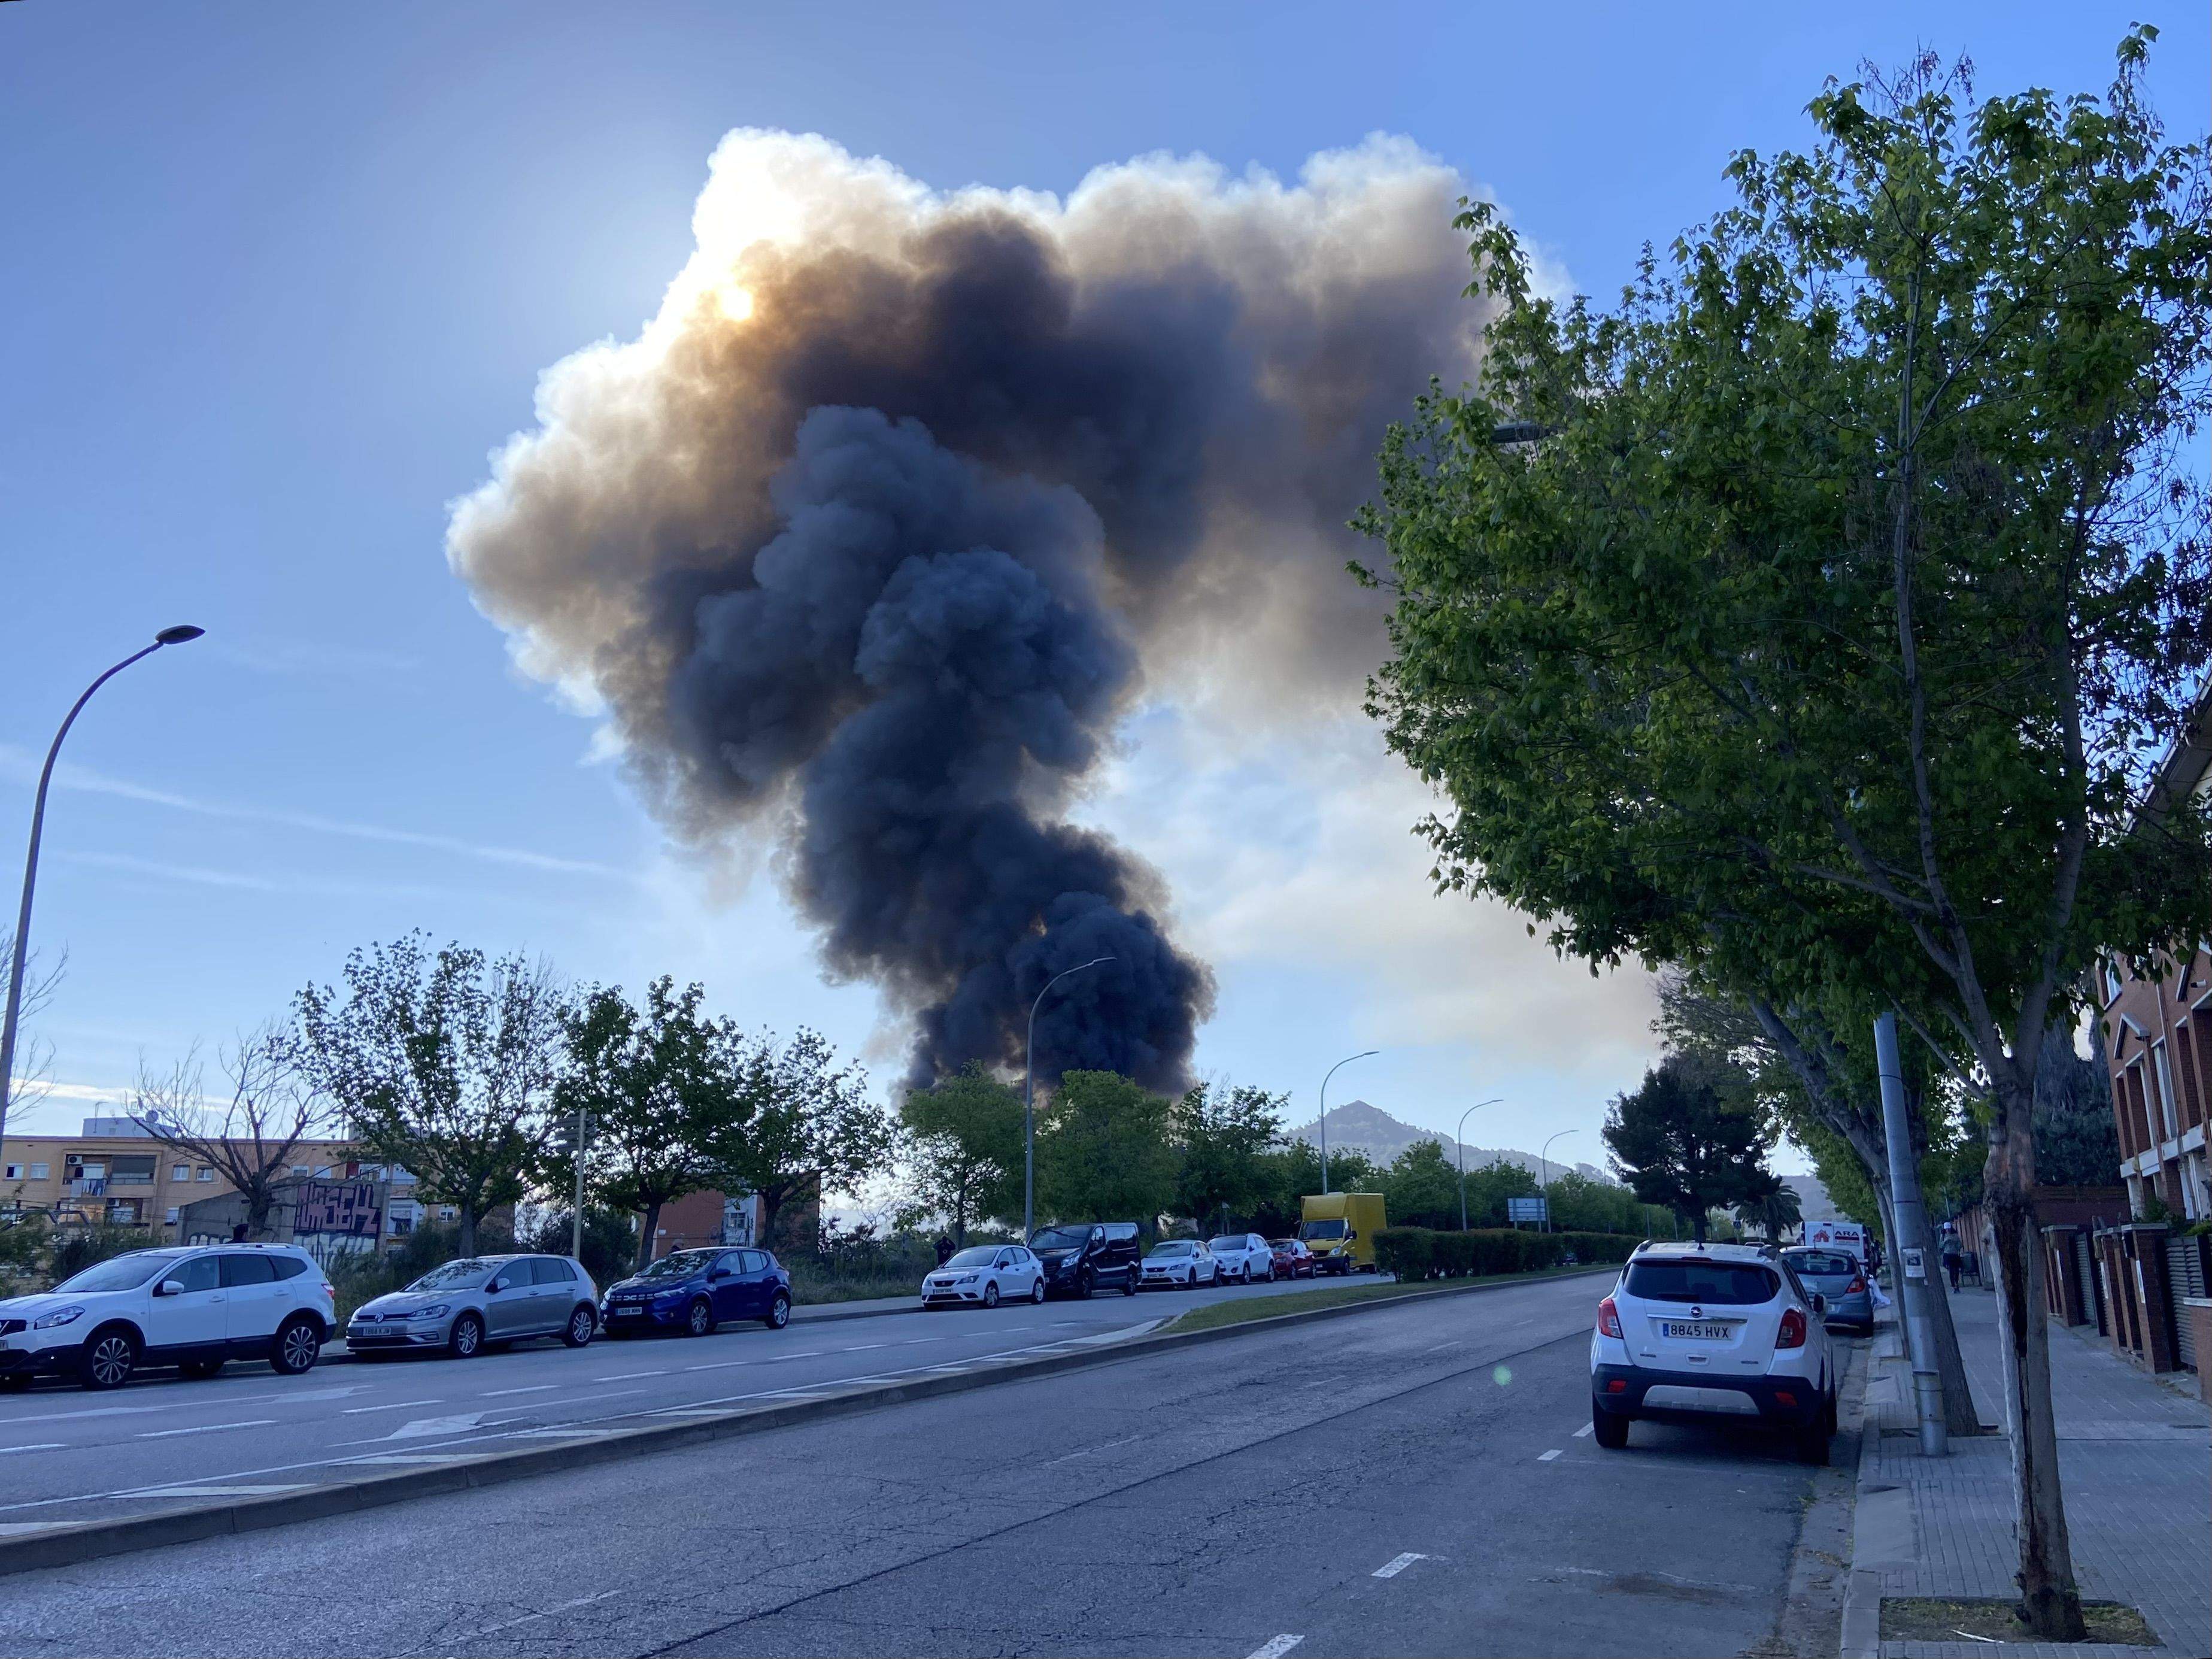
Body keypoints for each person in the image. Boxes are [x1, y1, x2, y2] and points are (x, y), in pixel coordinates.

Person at [1940, 1225, 1964, 1292]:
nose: (1948, 1230)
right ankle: (1954, 1285)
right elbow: (1940, 1246)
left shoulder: (1955, 1236)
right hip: (1947, 1254)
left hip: (1955, 1254)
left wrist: (1955, 1244)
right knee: (1951, 1270)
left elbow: (1960, 1245)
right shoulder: (1943, 1236)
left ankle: (1956, 1283)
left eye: (1949, 1229)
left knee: (1956, 1270)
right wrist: (1945, 1242)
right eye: (1946, 1229)